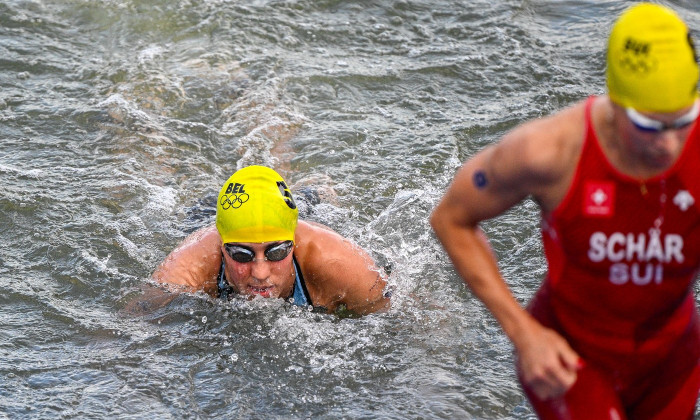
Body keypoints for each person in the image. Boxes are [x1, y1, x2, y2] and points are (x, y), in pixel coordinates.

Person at [430, 3, 700, 419]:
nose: (668, 145)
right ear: (615, 102)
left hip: (672, 360)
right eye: (648, 126)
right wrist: (524, 335)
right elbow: (451, 218)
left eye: (683, 120)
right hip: (570, 361)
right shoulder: (549, 152)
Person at [150, 165, 389, 315]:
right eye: (242, 255)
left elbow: (397, 321)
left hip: (299, 214)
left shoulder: (339, 263)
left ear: (293, 243)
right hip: (208, 214)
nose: (261, 273)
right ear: (222, 249)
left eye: (276, 252)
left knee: (322, 193)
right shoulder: (186, 270)